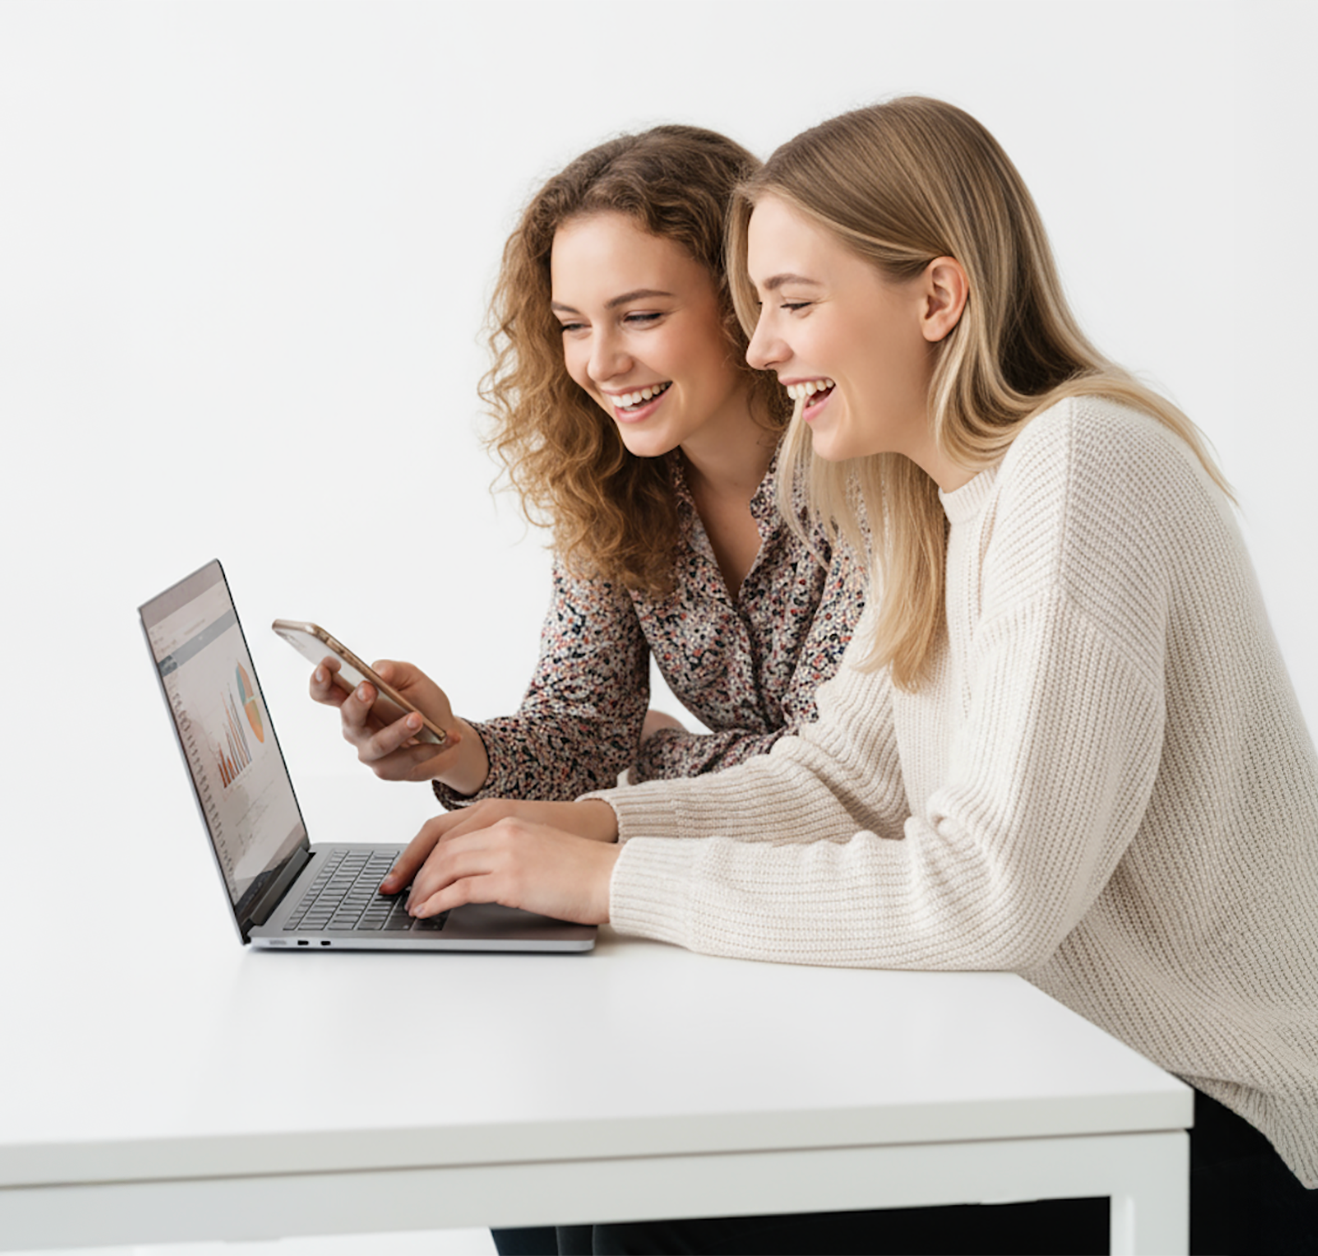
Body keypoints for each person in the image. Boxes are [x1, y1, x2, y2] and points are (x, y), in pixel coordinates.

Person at [385, 97, 1318, 1256]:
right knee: (556, 1169)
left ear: (937, 298)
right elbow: (842, 778)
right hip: (1077, 1071)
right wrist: (585, 826)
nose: (762, 348)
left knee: (664, 1205)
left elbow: (990, 890)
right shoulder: (931, 495)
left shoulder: (1079, 463)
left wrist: (611, 882)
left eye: (793, 305)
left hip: (1263, 1126)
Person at [301, 126, 866, 1256]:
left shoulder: (875, 467)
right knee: (530, 1143)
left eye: (641, 314)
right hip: (722, 919)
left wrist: (654, 756)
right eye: (570, 324)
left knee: (611, 1204)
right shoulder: (620, 492)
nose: (600, 358)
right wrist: (456, 747)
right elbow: (584, 727)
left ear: (746, 301)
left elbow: (850, 774)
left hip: (849, 942)